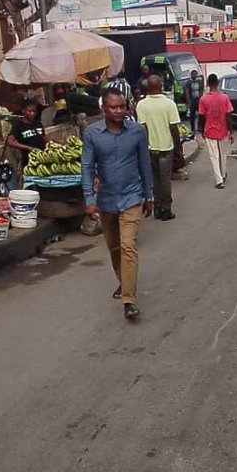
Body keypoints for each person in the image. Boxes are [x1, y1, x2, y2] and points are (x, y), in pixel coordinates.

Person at [81, 88, 153, 320]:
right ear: (104, 109)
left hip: (132, 196)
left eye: (122, 106)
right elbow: (87, 167)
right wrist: (89, 199)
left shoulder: (137, 131)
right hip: (107, 200)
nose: (120, 111)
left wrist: (149, 195)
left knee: (128, 246)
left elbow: (145, 163)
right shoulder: (92, 134)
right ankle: (124, 282)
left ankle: (128, 299)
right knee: (114, 247)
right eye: (114, 107)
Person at [136, 75, 182, 221]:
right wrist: (178, 148)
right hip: (166, 148)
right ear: (161, 86)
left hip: (150, 149)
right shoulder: (169, 104)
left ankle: (157, 208)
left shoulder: (141, 105)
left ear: (148, 88)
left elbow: (142, 128)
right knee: (165, 180)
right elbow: (174, 128)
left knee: (154, 179)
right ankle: (166, 210)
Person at [198, 73, 234, 189]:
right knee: (223, 154)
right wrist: (231, 132)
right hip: (223, 130)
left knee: (214, 156)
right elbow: (229, 116)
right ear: (218, 83)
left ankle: (219, 181)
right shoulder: (224, 97)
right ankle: (223, 174)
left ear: (207, 84)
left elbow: (201, 116)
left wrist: (201, 131)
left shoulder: (203, 99)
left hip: (209, 130)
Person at [7, 98, 46, 169]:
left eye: (34, 111)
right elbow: (10, 142)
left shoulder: (38, 124)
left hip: (42, 159)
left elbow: (44, 138)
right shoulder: (18, 126)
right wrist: (28, 148)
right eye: (30, 111)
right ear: (23, 111)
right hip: (28, 162)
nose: (32, 114)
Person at [185, 69, 204, 133]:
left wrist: (202, 100)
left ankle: (200, 127)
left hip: (198, 101)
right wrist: (189, 101)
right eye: (193, 74)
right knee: (192, 116)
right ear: (191, 75)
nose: (194, 75)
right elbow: (187, 92)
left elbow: (201, 91)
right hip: (192, 101)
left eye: (195, 74)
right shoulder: (188, 82)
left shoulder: (199, 82)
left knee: (201, 115)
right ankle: (193, 129)